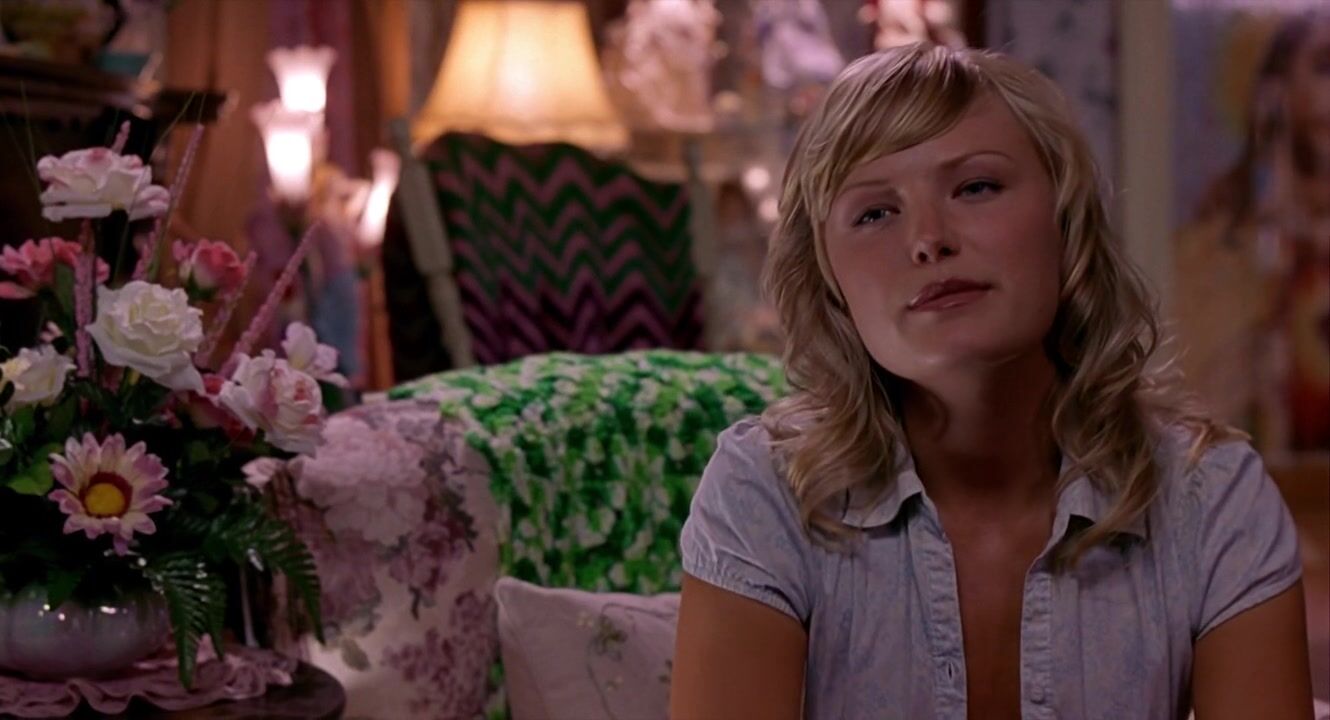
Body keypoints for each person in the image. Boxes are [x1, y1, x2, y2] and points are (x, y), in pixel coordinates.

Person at [670, 43, 1314, 720]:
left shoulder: (1211, 500)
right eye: (875, 213)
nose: (928, 239)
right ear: (830, 283)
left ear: (1066, 224)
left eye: (975, 187)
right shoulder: (765, 494)